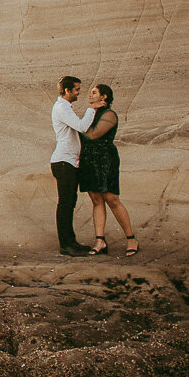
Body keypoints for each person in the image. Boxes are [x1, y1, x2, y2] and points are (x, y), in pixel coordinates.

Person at [80, 83, 139, 256]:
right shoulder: (91, 113)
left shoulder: (110, 114)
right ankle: (100, 241)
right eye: (90, 93)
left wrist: (77, 125)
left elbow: (93, 134)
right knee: (96, 198)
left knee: (112, 198)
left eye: (94, 93)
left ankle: (131, 239)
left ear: (104, 96)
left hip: (105, 159)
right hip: (89, 159)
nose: (90, 96)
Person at [50, 76, 96, 255]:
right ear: (67, 90)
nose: (79, 93)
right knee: (65, 204)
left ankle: (71, 242)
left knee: (69, 203)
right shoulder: (62, 108)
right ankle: (66, 245)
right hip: (63, 162)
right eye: (76, 89)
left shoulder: (64, 107)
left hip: (67, 161)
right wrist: (92, 109)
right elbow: (82, 126)